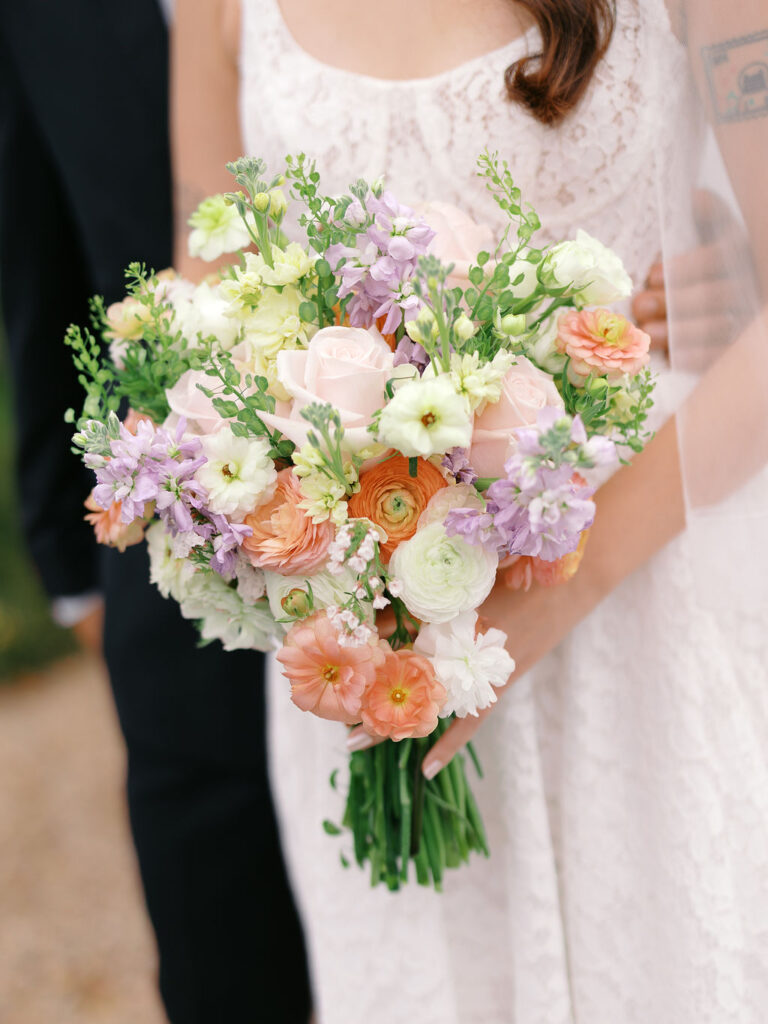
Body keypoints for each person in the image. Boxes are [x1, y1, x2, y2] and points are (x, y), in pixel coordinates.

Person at [176, 0, 768, 1021]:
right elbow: (208, 288)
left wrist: (546, 602)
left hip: (645, 601)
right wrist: (282, 511)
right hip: (371, 644)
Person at [0, 4, 311, 1022]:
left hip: (431, 501)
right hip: (175, 557)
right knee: (221, 946)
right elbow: (41, 269)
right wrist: (75, 567)